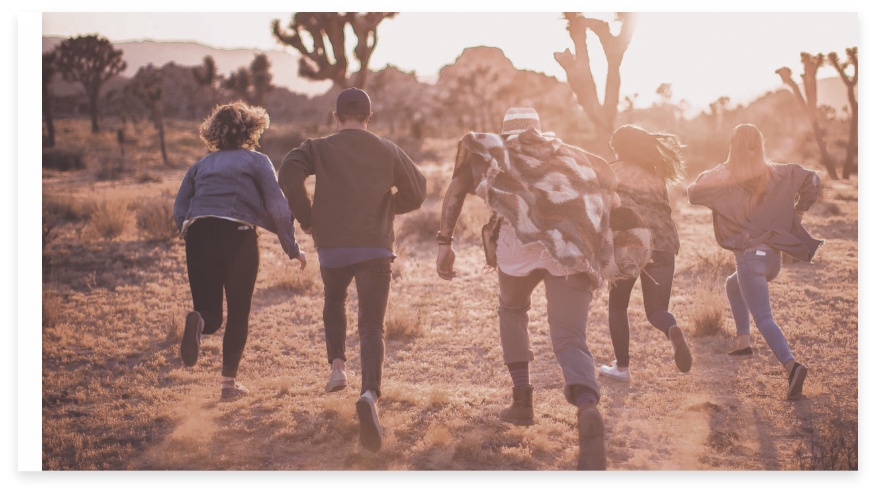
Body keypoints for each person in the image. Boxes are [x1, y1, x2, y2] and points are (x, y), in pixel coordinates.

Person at [436, 107, 619, 470]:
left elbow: (455, 189)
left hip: (516, 250)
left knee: (513, 312)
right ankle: (586, 405)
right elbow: (609, 188)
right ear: (540, 129)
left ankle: (522, 402)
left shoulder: (497, 154)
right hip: (569, 249)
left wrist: (445, 241)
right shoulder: (571, 156)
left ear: (506, 132)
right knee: (570, 337)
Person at [278, 88, 426, 453]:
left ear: (336, 116)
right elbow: (419, 190)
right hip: (375, 245)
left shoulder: (317, 148)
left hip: (332, 247)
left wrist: (308, 217)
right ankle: (370, 394)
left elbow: (287, 173)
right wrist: (389, 206)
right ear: (369, 118)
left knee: (334, 299)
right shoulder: (388, 149)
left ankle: (338, 369)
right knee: (372, 324)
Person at [173, 101, 306, 400]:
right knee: (238, 313)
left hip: (199, 233)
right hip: (238, 235)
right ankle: (228, 386)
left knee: (210, 313)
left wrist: (191, 234)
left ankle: (199, 321)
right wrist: (292, 248)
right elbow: (277, 206)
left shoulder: (200, 165)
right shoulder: (257, 161)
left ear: (214, 132)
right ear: (251, 129)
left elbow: (180, 208)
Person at [687, 123, 822, 399]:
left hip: (749, 258)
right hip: (772, 259)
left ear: (732, 147)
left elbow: (693, 191)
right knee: (732, 286)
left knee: (764, 317)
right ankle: (743, 341)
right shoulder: (777, 171)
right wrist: (799, 212)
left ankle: (791, 366)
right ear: (760, 144)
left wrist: (718, 168)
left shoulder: (725, 174)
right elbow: (813, 179)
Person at [598, 125, 692, 382]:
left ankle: (622, 368)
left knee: (618, 306)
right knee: (656, 310)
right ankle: (671, 328)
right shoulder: (655, 175)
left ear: (619, 147)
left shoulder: (612, 170)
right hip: (663, 243)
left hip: (631, 243)